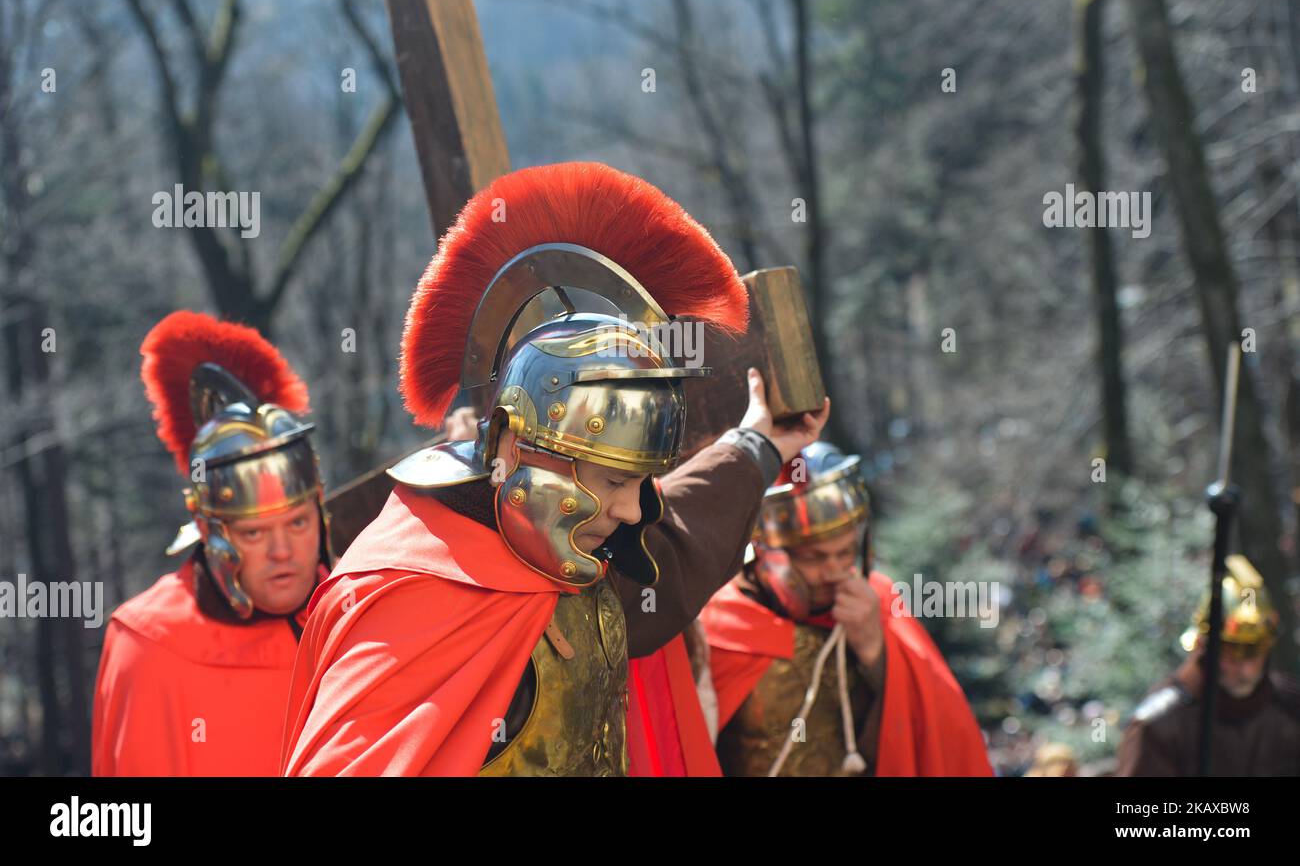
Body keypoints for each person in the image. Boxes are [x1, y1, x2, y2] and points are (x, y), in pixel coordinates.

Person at [281, 161, 828, 775]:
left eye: (639, 481)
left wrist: (757, 444)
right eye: (615, 480)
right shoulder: (407, 599)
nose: (629, 510)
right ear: (516, 448)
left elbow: (671, 554)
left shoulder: (559, 557)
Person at [92, 311, 331, 775]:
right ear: (207, 530)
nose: (282, 551)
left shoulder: (352, 615)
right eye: (254, 532)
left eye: (298, 524)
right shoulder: (149, 646)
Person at [701, 442, 992, 776]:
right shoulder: (717, 621)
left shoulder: (880, 602)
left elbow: (942, 731)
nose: (836, 571)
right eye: (815, 557)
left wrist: (875, 651)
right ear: (766, 551)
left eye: (846, 552)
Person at [1115, 554, 1300, 776]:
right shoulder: (1159, 724)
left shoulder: (1290, 706)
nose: (1245, 670)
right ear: (1203, 646)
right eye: (1232, 653)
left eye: (1253, 652)